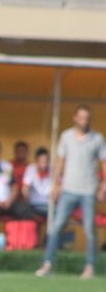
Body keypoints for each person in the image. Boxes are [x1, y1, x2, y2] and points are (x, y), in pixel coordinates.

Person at [36, 105, 106, 278]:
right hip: (68, 189)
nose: (84, 121)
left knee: (89, 229)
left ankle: (90, 267)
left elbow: (104, 162)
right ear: (74, 118)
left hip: (88, 190)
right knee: (56, 226)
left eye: (87, 118)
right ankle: (48, 263)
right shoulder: (66, 136)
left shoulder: (97, 139)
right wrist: (55, 184)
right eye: (81, 118)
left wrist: (104, 185)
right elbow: (60, 161)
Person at [21, 146, 52, 219]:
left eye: (46, 161)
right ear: (36, 161)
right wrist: (27, 197)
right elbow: (25, 188)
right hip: (36, 204)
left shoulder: (53, 169)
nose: (43, 164)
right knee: (56, 212)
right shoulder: (31, 169)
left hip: (50, 203)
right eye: (41, 162)